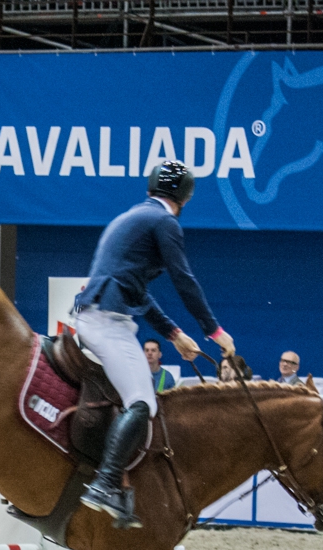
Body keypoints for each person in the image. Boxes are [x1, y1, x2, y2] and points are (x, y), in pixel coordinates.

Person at [72, 160, 235, 529]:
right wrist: (214, 330)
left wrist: (175, 336)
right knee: (142, 403)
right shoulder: (165, 223)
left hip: (100, 314)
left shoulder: (135, 217)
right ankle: (105, 484)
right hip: (107, 322)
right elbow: (184, 279)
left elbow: (137, 292)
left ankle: (120, 486)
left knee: (129, 401)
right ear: (185, 197)